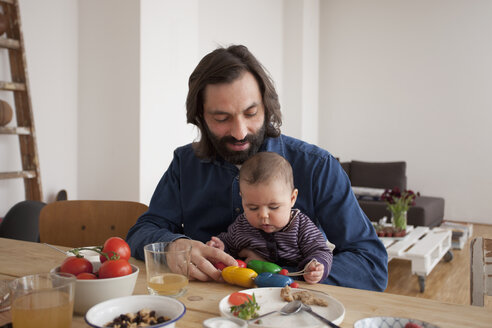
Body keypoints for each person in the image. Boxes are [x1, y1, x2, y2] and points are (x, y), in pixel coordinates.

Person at [126, 44, 388, 291]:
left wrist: (279, 276)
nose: (240, 132)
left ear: (267, 106)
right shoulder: (185, 164)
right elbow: (142, 231)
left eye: (251, 114)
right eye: (221, 118)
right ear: (201, 117)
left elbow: (371, 264)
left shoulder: (317, 166)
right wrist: (174, 247)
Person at [206, 151, 333, 284]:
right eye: (253, 207)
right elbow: (229, 244)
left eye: (273, 207)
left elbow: (320, 250)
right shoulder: (242, 225)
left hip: (294, 287)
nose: (263, 215)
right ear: (242, 199)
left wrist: (315, 267)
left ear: (292, 198)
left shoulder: (301, 226)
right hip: (253, 288)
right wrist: (220, 247)